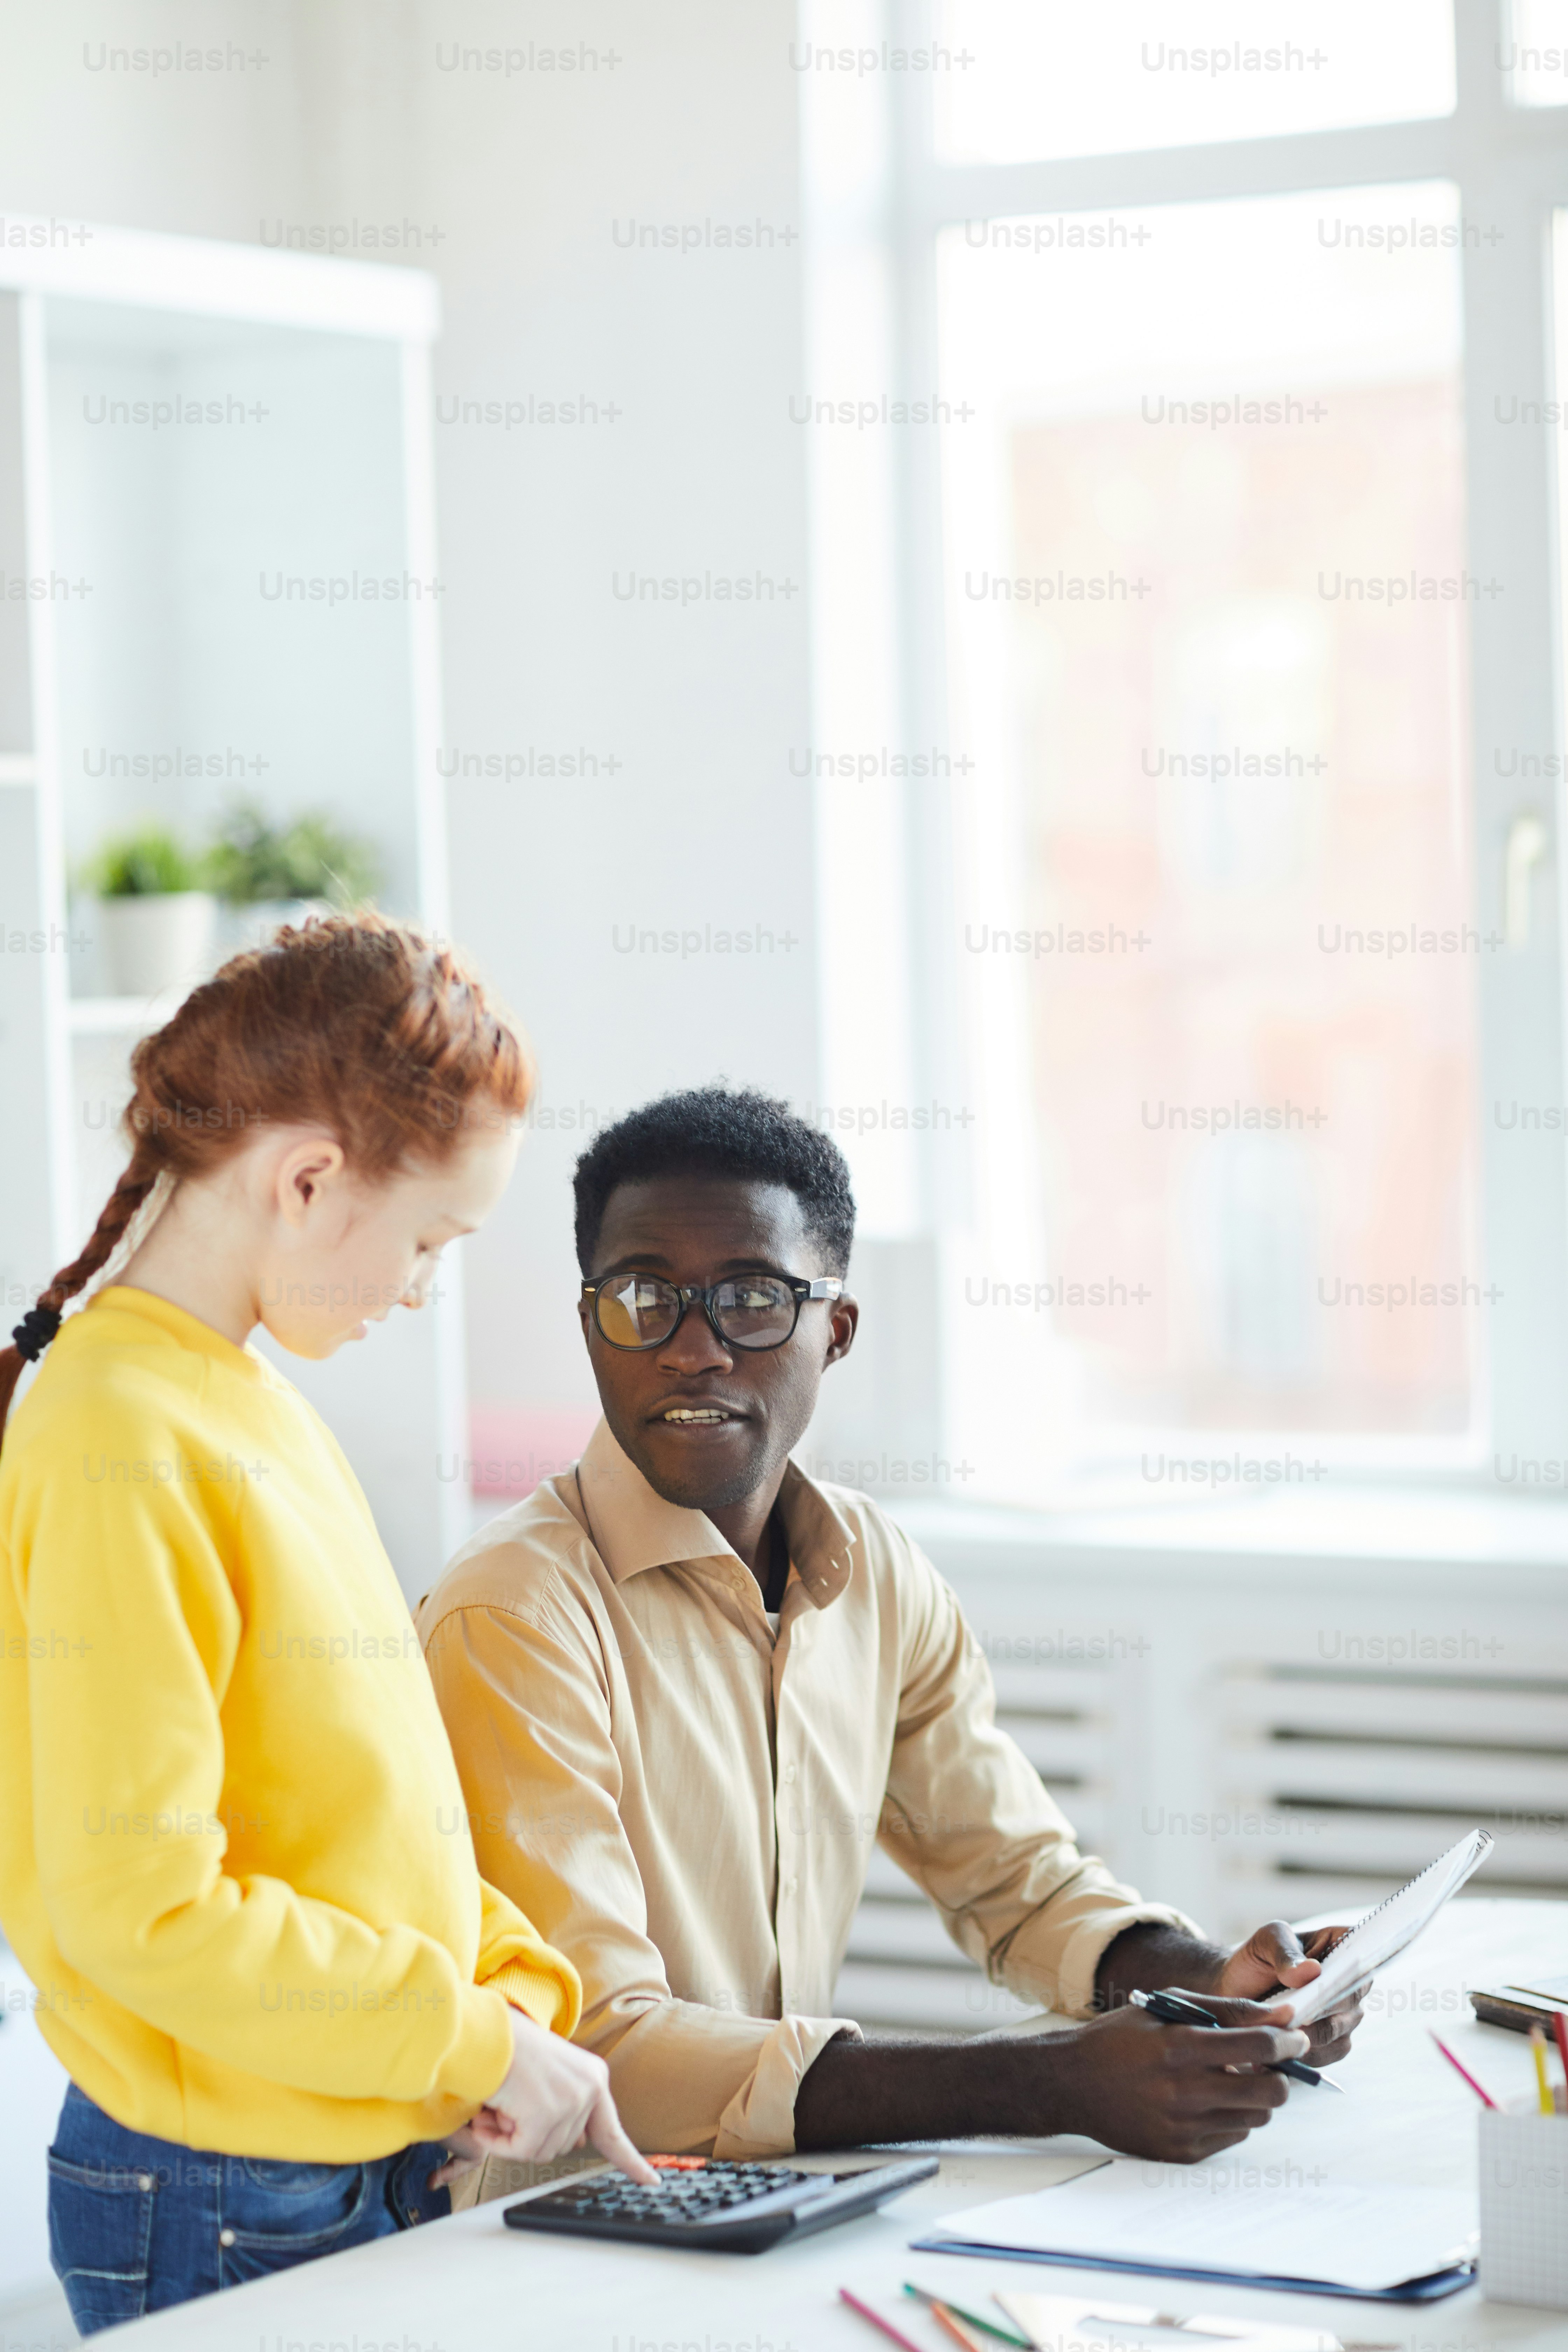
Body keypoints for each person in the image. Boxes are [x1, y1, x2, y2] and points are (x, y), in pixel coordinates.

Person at [418, 1085, 1365, 2186]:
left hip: (779, 2202)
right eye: (643, 1297)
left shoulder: (872, 1568)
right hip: (565, 2228)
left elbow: (1015, 1877)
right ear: (592, 1324)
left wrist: (1204, 1980)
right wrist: (1053, 2084)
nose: (693, 1349)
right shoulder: (514, 1615)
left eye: (753, 1298)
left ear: (839, 1330)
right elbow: (595, 2046)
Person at [0, 915, 651, 2337]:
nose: (422, 1289)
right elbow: (142, 1908)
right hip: (223, 2192)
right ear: (307, 1179)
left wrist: (506, 2007)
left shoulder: (249, 1401)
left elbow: (353, 1819)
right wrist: (465, 2035)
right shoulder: (117, 1436)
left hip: (339, 2153)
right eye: (429, 1240)